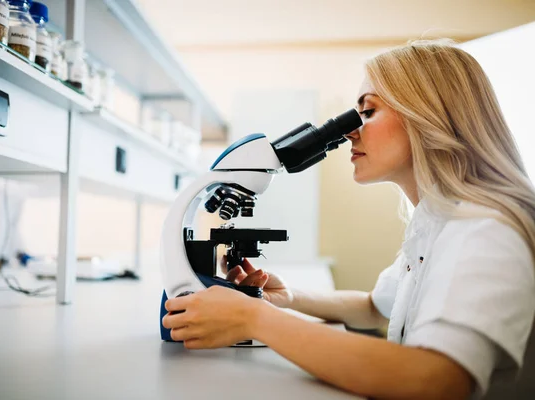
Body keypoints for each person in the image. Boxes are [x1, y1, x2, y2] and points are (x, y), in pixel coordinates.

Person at [162, 39, 535, 400]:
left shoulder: (484, 232)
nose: (350, 131)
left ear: (429, 115)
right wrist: (288, 298)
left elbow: (437, 380)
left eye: (368, 112)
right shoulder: (435, 222)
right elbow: (373, 307)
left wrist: (254, 319)